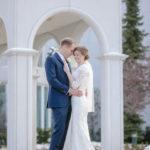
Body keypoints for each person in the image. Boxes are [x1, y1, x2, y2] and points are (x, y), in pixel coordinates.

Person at [45, 38, 84, 150]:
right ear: (65, 47)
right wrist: (70, 90)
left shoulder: (67, 62)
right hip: (58, 102)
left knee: (64, 133)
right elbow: (52, 80)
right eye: (72, 50)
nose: (73, 54)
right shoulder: (51, 60)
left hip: (68, 102)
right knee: (59, 131)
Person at [63, 46, 95, 150]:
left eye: (78, 55)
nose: (76, 57)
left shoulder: (84, 68)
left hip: (79, 101)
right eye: (75, 54)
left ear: (84, 55)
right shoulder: (84, 66)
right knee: (78, 126)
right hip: (78, 99)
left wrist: (67, 72)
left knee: (79, 127)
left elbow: (75, 85)